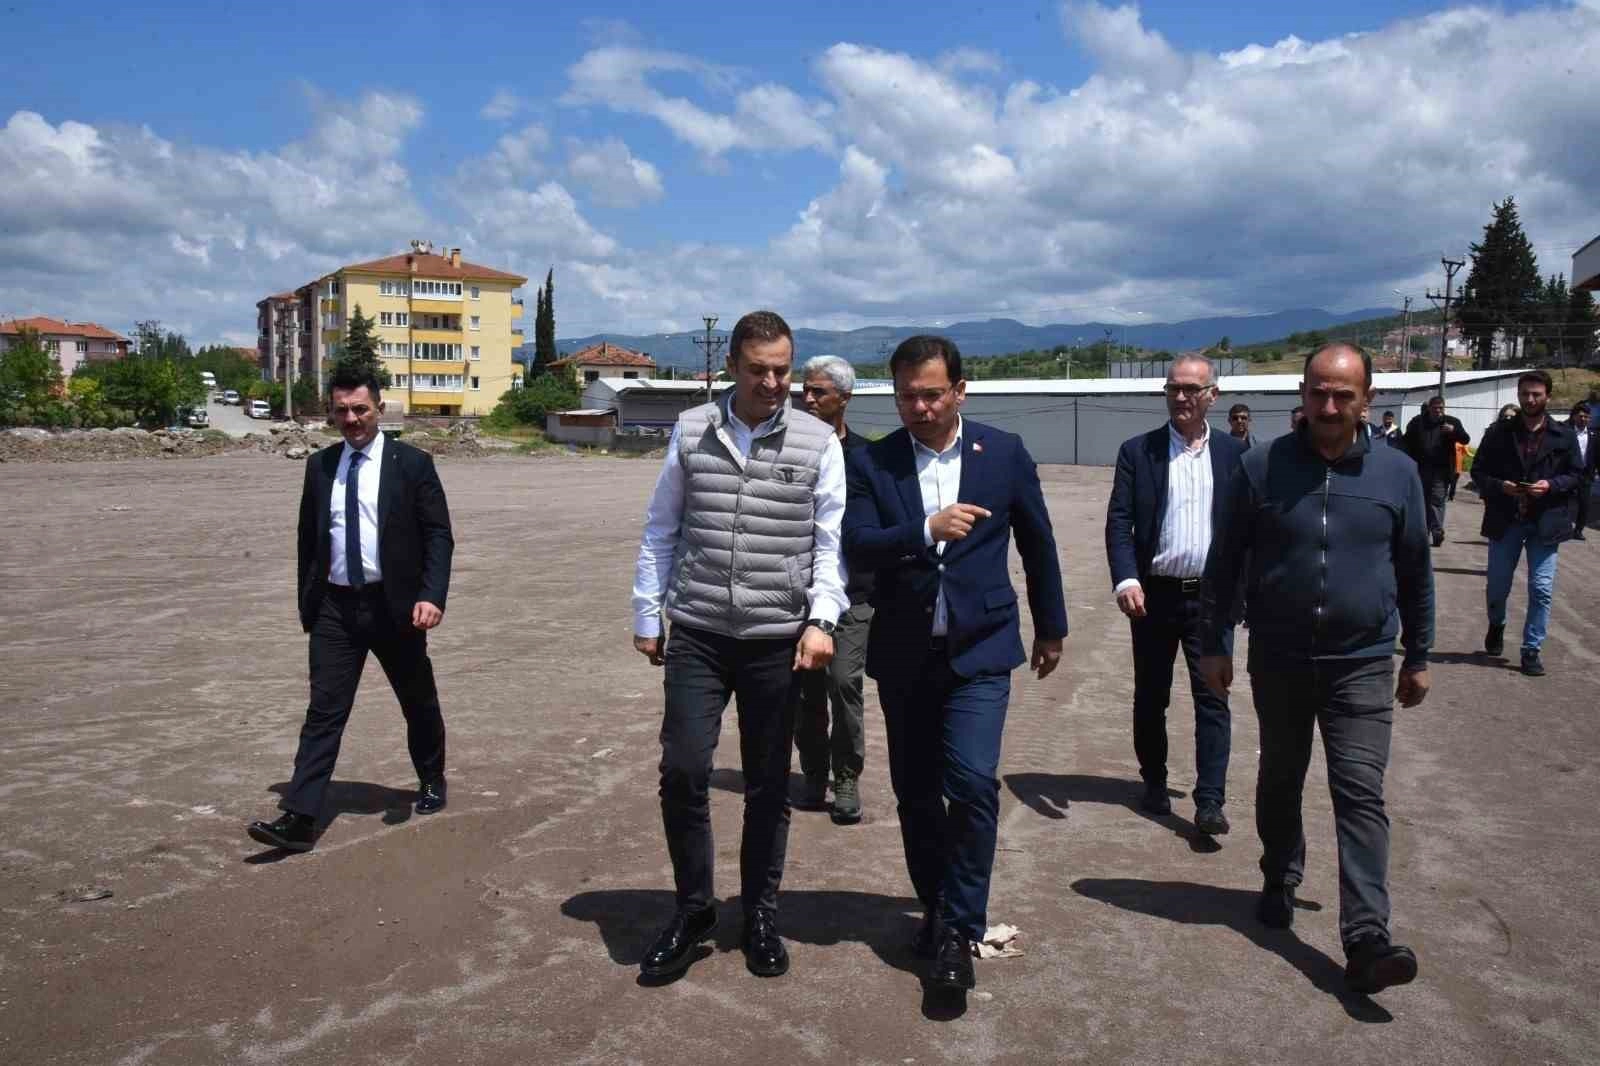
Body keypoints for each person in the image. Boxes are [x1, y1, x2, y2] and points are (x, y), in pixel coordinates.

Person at [1200, 342, 1433, 997]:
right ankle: (1280, 873)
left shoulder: (1398, 474)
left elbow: (1415, 568)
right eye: (1318, 393)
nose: (1329, 407)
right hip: (1280, 656)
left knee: (1359, 790)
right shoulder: (1260, 467)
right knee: (1281, 775)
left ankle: (1367, 937)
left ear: (1367, 400)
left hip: (1361, 661)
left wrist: (1418, 654)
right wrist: (1215, 642)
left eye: (1343, 395)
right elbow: (1225, 561)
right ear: (1302, 395)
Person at [843, 335, 1067, 993]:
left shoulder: (1003, 452)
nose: (920, 407)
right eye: (907, 396)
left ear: (960, 392)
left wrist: (1051, 625)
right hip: (906, 651)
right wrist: (924, 531)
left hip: (981, 648)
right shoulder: (873, 461)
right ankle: (939, 908)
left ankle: (959, 930)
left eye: (932, 394)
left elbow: (1038, 542)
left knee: (970, 783)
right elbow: (857, 544)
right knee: (915, 793)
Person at [631, 310, 847, 980]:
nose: (773, 383)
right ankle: (694, 909)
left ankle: (759, 913)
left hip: (776, 640)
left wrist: (822, 620)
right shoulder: (692, 428)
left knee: (766, 785)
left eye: (783, 370)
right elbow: (661, 526)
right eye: (759, 370)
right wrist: (647, 611)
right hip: (698, 631)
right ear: (731, 366)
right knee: (683, 770)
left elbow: (830, 544)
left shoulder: (818, 442)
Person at [247, 365, 454, 853]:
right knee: (324, 711)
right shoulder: (320, 466)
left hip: (395, 608)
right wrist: (308, 602)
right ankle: (299, 817)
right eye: (341, 410)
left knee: (417, 701)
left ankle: (431, 778)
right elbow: (308, 540)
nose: (351, 418)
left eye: (360, 409)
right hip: (335, 610)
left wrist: (431, 595)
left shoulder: (412, 464)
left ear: (379, 409)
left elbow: (438, 535)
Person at [1106, 355, 1245, 836]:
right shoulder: (1137, 452)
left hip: (1211, 601)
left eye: (1191, 389)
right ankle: (1154, 781)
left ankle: (1210, 802)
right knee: (1151, 696)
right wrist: (1126, 579)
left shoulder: (1234, 455)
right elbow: (1119, 522)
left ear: (1212, 395)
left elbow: (1248, 530)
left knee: (1213, 697)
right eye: (1173, 389)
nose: (1181, 397)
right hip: (1154, 598)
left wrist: (1243, 592)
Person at [796, 354, 874, 824]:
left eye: (818, 392)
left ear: (844, 398)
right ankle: (813, 772)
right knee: (805, 692)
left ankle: (845, 776)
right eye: (804, 390)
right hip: (799, 592)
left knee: (844, 685)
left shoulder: (867, 458)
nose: (807, 398)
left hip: (853, 595)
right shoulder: (791, 448)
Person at [1472, 371, 1584, 676]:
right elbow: (1478, 471)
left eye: (1536, 394)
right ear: (1518, 395)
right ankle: (1497, 624)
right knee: (1497, 586)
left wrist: (1551, 485)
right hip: (1506, 519)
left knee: (1541, 588)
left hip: (1546, 521)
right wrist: (1501, 486)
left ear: (1548, 396)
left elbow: (1577, 475)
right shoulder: (1499, 433)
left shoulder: (1564, 435)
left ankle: (1531, 649)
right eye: (1525, 394)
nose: (1530, 400)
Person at [1402, 395, 1471, 546]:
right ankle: (1424, 532)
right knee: (1421, 501)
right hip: (1420, 469)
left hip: (1442, 470)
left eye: (1441, 408)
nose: (1438, 411)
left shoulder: (1451, 422)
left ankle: (1437, 531)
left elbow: (1465, 439)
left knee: (1437, 500)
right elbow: (1405, 442)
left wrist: (1454, 431)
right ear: (1429, 408)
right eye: (1435, 408)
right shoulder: (1417, 422)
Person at [1566, 402, 1596, 539]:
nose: (1583, 419)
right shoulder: (1567, 432)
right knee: (1564, 502)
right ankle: (1563, 527)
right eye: (1581, 416)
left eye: (1586, 417)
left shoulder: (1594, 435)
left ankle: (1578, 530)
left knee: (1584, 504)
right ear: (1574, 417)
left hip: (1585, 474)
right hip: (1568, 473)